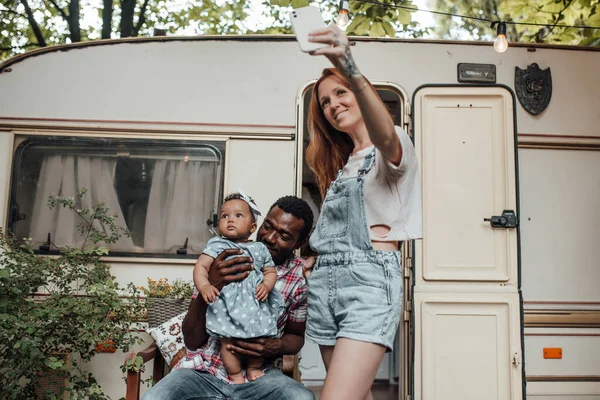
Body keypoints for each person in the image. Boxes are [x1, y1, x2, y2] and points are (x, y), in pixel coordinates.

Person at [302, 25, 423, 400]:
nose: (334, 104)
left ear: (360, 91)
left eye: (341, 92)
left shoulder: (392, 145)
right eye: (325, 102)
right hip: (325, 286)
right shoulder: (342, 166)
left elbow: (384, 134)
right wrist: (315, 258)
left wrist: (346, 62)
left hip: (369, 281)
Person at [143, 196, 315, 400]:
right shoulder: (225, 255)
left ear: (301, 242)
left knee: (301, 397)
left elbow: (296, 337)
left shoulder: (298, 277)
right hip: (203, 371)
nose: (269, 238)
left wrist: (274, 346)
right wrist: (212, 283)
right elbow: (192, 339)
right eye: (267, 226)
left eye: (284, 236)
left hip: (260, 376)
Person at [193, 191, 284, 383]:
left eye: (238, 215)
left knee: (259, 336)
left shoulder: (260, 249)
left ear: (252, 227)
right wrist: (205, 286)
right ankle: (234, 375)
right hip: (228, 306)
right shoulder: (216, 245)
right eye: (225, 216)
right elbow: (201, 267)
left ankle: (253, 368)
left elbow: (270, 271)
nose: (230, 220)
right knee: (228, 342)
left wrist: (267, 286)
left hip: (256, 306)